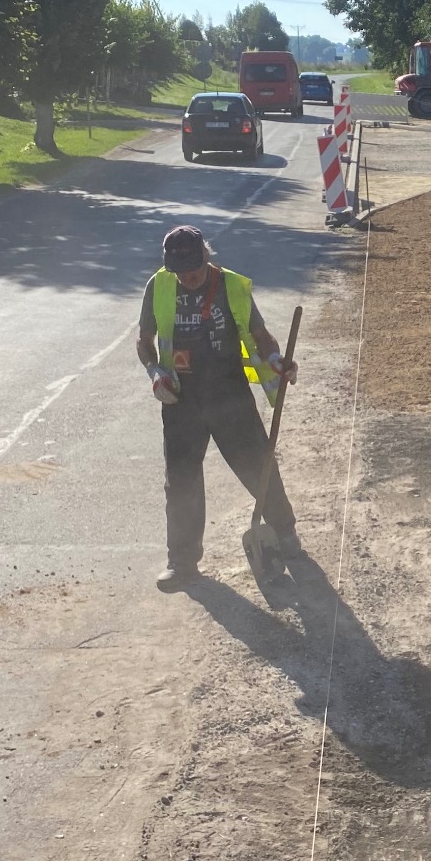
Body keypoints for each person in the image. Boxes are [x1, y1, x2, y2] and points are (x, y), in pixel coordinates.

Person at [137, 224, 299, 590]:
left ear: (207, 257)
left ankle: (285, 534)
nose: (188, 277)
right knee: (181, 482)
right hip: (180, 400)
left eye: (194, 269)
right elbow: (143, 342)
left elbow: (260, 336)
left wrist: (275, 358)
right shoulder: (158, 286)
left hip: (229, 394)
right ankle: (182, 562)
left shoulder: (230, 286)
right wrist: (155, 373)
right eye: (181, 272)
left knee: (257, 467)